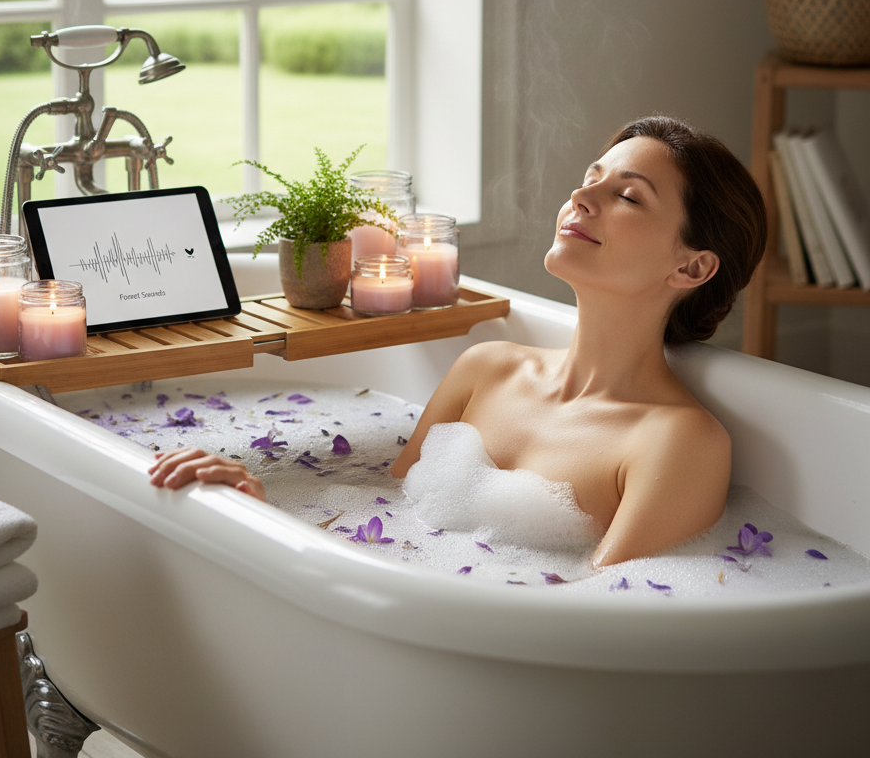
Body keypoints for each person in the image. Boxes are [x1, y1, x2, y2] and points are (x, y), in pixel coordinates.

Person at [149, 115, 767, 568]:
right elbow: (389, 518)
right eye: (590, 179)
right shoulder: (487, 368)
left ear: (691, 268)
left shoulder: (678, 441)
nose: (580, 198)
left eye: (628, 196)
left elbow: (603, 616)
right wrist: (262, 510)